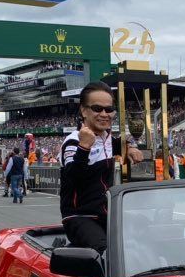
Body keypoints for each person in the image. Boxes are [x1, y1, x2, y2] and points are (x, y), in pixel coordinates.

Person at [60, 81, 143, 252]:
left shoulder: (107, 139)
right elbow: (72, 177)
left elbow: (123, 140)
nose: (104, 114)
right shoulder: (73, 141)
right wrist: (84, 148)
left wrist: (132, 146)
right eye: (97, 109)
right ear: (84, 111)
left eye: (109, 109)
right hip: (80, 217)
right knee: (108, 253)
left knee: (148, 236)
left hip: (107, 214)